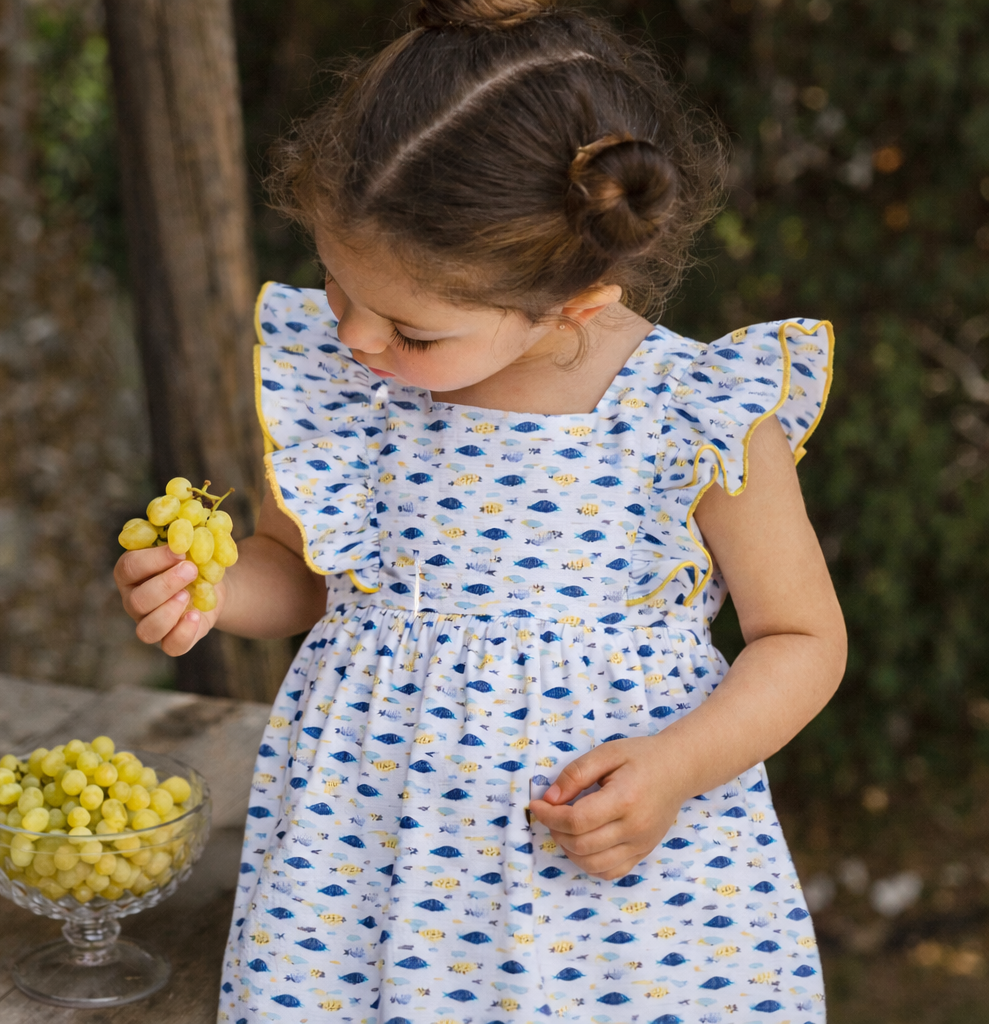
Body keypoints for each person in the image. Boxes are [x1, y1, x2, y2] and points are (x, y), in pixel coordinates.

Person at [114, 1, 846, 1020]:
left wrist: (680, 764)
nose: (360, 338)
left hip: (610, 874)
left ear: (577, 298)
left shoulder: (696, 415)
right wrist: (210, 585)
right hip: (369, 863)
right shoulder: (350, 388)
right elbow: (303, 571)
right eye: (335, 284)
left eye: (411, 327)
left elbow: (802, 637)